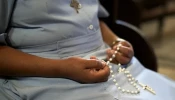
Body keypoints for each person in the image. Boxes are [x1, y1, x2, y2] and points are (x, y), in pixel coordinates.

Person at [0, 0, 175, 100]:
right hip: (50, 79)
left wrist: (115, 41)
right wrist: (61, 68)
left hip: (117, 69)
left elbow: (90, 18)